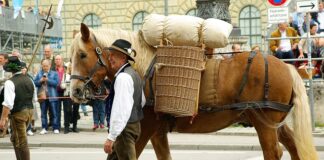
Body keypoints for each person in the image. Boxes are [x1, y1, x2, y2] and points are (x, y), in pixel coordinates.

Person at [103, 39, 146, 159]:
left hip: (124, 131)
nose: (110, 58)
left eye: (113, 55)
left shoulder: (123, 77)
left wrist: (111, 137)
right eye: (109, 54)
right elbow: (141, 101)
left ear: (123, 57)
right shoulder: (133, 73)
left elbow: (121, 110)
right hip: (131, 127)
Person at [0, 56, 37, 160]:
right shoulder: (29, 79)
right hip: (29, 111)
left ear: (10, 70)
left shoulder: (9, 82)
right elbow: (34, 99)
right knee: (16, 139)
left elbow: (7, 104)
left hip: (18, 113)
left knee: (21, 141)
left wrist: (2, 119)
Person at [34, 59, 60, 134]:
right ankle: (44, 128)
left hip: (52, 96)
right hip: (42, 96)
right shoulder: (39, 73)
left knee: (54, 113)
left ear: (50, 65)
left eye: (46, 66)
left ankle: (56, 127)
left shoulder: (54, 73)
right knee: (43, 113)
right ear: (42, 66)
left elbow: (56, 83)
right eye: (43, 66)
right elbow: (35, 83)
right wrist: (40, 81)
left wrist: (48, 80)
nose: (45, 67)